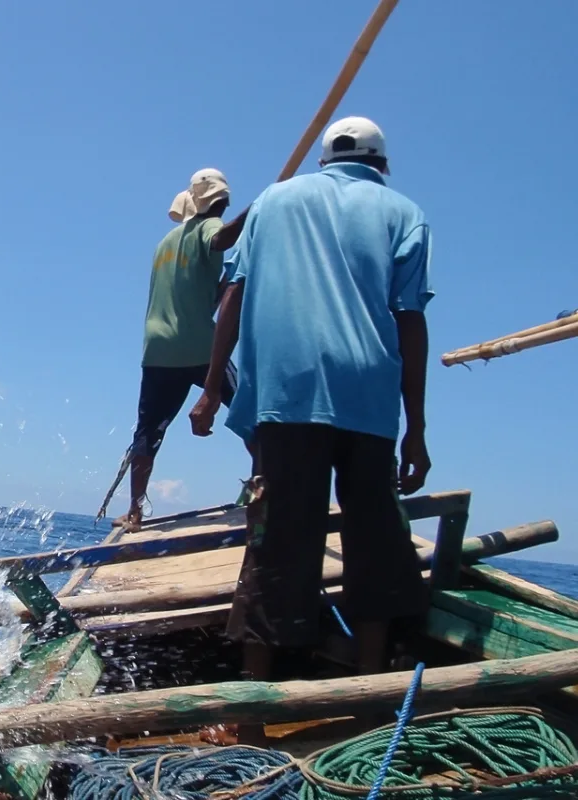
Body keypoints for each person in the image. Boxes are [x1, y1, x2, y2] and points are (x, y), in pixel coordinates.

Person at [189, 117, 434, 687]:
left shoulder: (274, 201)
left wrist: (208, 389)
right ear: (382, 165)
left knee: (277, 535)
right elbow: (410, 321)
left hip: (288, 392)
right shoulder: (404, 213)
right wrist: (416, 428)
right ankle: (371, 683)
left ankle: (254, 697)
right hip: (368, 396)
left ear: (323, 161)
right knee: (373, 534)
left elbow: (233, 296)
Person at [114, 169, 250, 531]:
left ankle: (135, 512)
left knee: (147, 432)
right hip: (200, 345)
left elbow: (192, 293)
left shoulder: (165, 243)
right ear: (220, 202)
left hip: (158, 348)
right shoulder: (208, 227)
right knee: (249, 413)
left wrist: (224, 287)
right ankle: (269, 487)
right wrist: (258, 211)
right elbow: (220, 237)